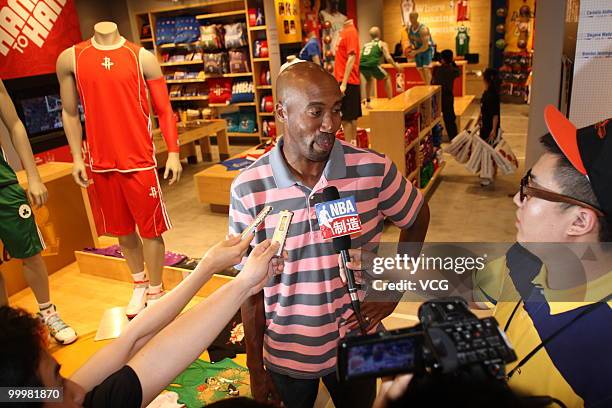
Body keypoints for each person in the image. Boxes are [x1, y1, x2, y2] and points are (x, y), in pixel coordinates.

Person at [229, 61, 430, 408]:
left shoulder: (373, 169)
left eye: (336, 110)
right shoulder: (249, 188)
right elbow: (249, 289)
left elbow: (417, 214)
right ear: (281, 111)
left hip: (358, 342)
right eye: (315, 112)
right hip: (286, 353)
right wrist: (254, 365)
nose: (331, 124)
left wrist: (394, 286)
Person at [0, 235, 286, 407]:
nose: (76, 389)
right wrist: (244, 284)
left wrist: (208, 267)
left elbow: (133, 338)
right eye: (59, 384)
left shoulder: (28, 395)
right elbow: (162, 354)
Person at [473, 106, 612, 407]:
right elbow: (474, 286)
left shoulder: (602, 348)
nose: (516, 198)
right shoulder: (528, 258)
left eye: (531, 189)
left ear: (579, 222)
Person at [57, 22, 182, 319]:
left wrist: (173, 153)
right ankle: (139, 283)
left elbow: (164, 110)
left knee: (150, 231)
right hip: (101, 162)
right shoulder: (71, 58)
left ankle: (156, 288)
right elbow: (70, 111)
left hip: (139, 160)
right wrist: (77, 157)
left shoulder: (141, 57)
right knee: (122, 232)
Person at [0, 80, 77, 345]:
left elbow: (15, 124)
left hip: (3, 185)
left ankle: (47, 313)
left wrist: (33, 176)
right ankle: (5, 328)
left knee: (31, 253)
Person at [334, 19, 361, 144]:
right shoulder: (344, 32)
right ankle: (353, 146)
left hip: (347, 81)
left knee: (347, 118)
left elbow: (352, 57)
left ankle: (350, 148)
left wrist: (344, 83)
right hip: (345, 80)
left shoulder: (350, 32)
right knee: (349, 117)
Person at [360, 26, 402, 108]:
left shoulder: (366, 44)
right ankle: (391, 101)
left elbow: (360, 54)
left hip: (362, 65)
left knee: (369, 80)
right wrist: (396, 66)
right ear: (379, 34)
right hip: (372, 64)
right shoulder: (382, 43)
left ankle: (368, 103)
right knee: (387, 77)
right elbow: (388, 57)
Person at [478, 68, 501, 186]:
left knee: (488, 152)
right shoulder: (488, 93)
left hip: (489, 129)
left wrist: (493, 130)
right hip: (485, 126)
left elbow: (495, 115)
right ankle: (490, 173)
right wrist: (478, 119)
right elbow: (483, 109)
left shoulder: (492, 95)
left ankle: (487, 176)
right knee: (488, 151)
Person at [432, 49, 460, 141]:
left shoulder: (437, 70)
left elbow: (432, 82)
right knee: (450, 120)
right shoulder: (453, 70)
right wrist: (453, 62)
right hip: (448, 97)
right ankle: (454, 140)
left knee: (434, 120)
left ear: (442, 59)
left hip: (437, 97)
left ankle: (434, 140)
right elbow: (458, 72)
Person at [406, 12, 434, 85]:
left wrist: (415, 52)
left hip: (427, 49)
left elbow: (425, 46)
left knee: (425, 68)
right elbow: (411, 41)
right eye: (410, 17)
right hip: (418, 49)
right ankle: (426, 85)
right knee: (420, 69)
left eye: (412, 17)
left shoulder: (423, 29)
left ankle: (429, 87)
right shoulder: (409, 29)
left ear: (416, 17)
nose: (411, 19)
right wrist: (410, 50)